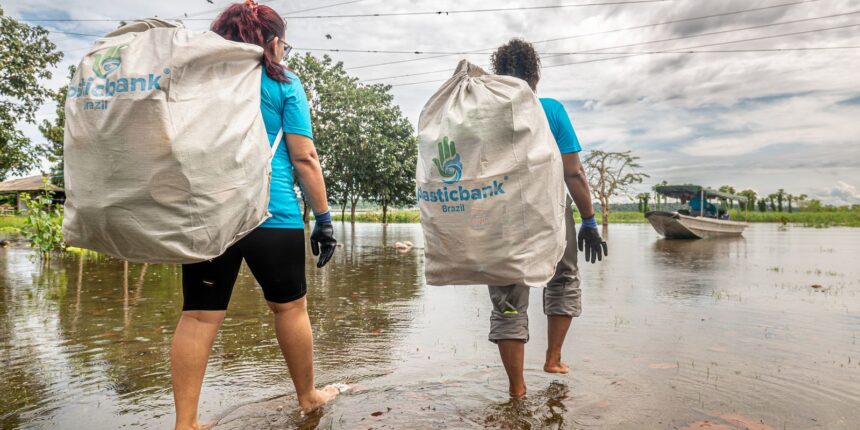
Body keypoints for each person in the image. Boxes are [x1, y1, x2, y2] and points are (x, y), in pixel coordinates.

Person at [170, 2, 339, 428]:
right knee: (290, 309)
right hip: (272, 211)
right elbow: (305, 157)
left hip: (208, 213)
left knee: (198, 314)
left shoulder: (195, 81)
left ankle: (185, 423)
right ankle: (308, 397)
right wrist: (323, 218)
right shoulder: (283, 83)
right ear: (275, 43)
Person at [488, 39, 608, 398]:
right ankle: (553, 358)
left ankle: (517, 387)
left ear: (499, 79)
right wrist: (588, 221)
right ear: (535, 77)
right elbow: (574, 173)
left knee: (508, 302)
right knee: (563, 280)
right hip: (550, 213)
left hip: (500, 217)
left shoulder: (485, 117)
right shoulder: (551, 110)